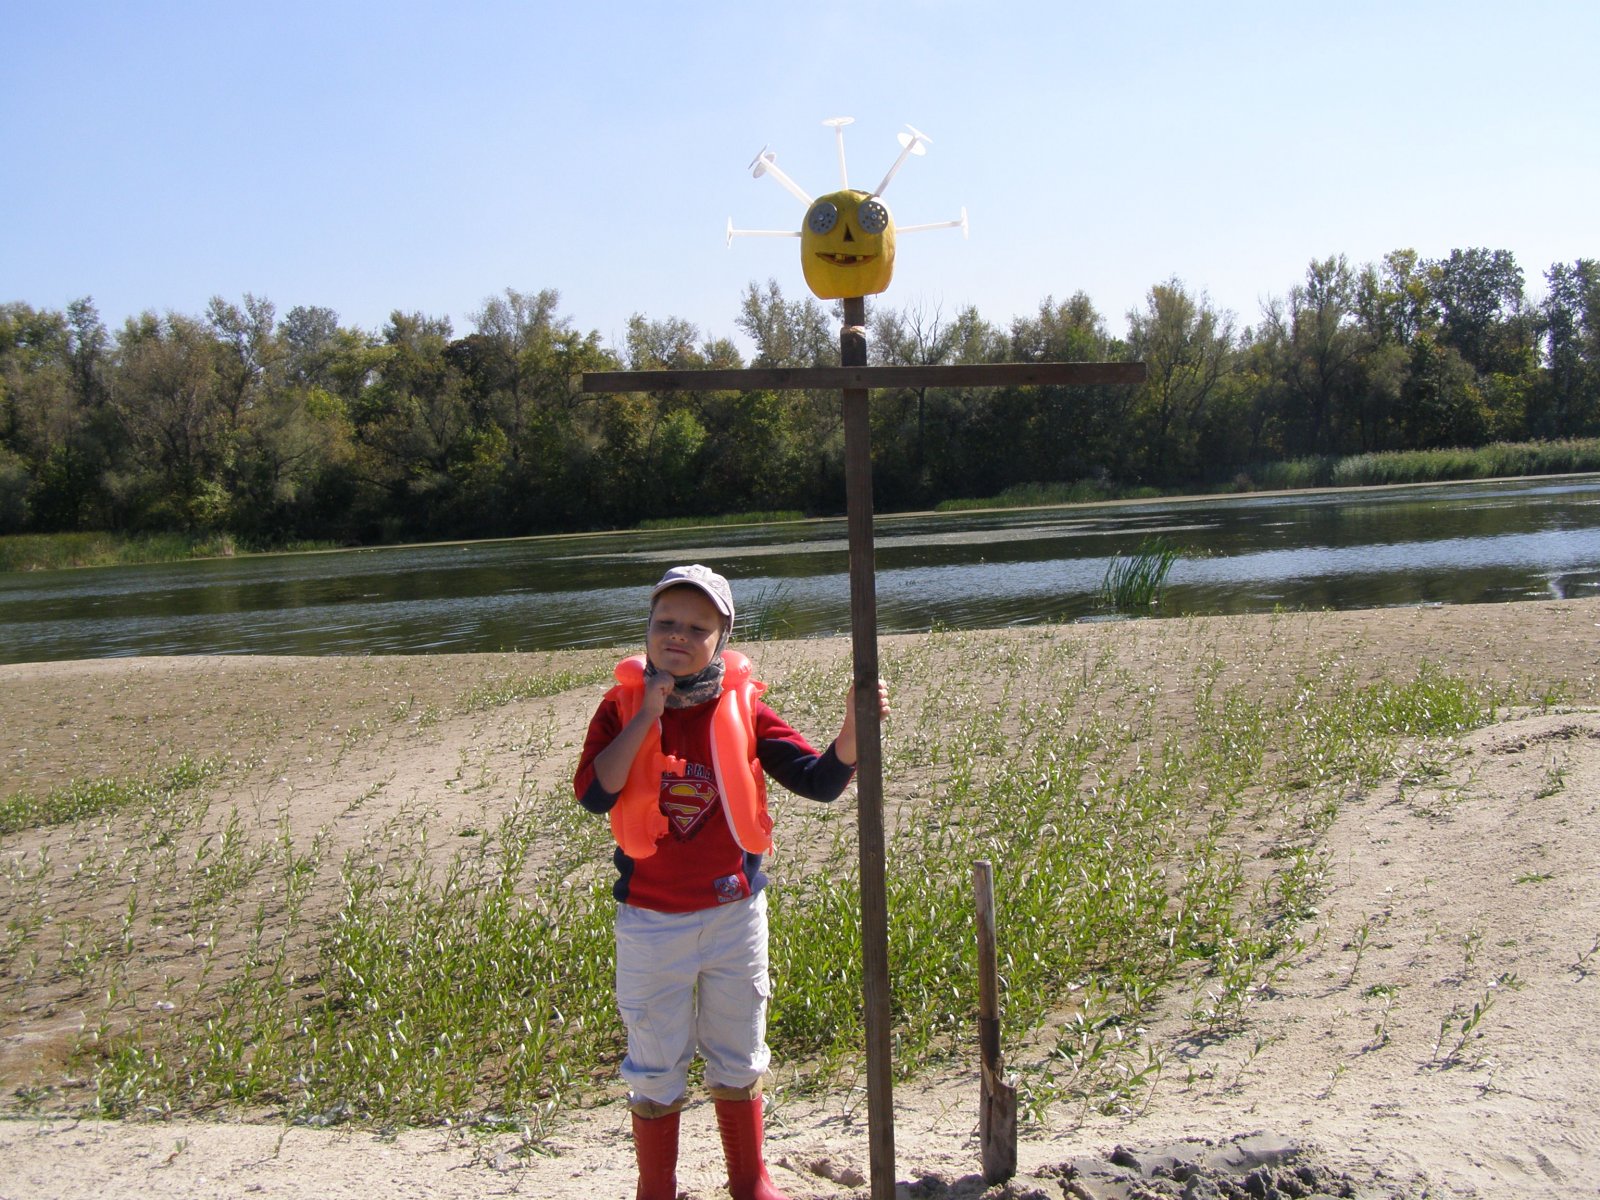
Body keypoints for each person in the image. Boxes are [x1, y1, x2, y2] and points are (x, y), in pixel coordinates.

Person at [574, 564, 889, 1200]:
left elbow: (819, 781)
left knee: (739, 1052)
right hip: (650, 922)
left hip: (733, 916)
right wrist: (647, 714)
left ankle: (750, 1181)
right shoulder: (617, 708)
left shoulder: (744, 708)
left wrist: (853, 734)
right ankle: (656, 1188)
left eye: (698, 628)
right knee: (654, 1062)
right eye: (666, 622)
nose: (678, 635)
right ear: (647, 628)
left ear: (723, 638)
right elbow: (594, 793)